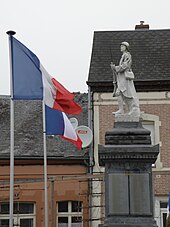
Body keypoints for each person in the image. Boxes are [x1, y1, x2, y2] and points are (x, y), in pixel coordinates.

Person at [110, 41, 140, 117]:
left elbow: (124, 66)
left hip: (125, 78)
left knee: (120, 92)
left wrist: (115, 68)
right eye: (121, 46)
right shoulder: (123, 55)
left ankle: (130, 109)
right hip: (121, 77)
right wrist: (114, 68)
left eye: (122, 46)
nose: (121, 47)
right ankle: (121, 110)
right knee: (119, 93)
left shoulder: (127, 55)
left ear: (126, 48)